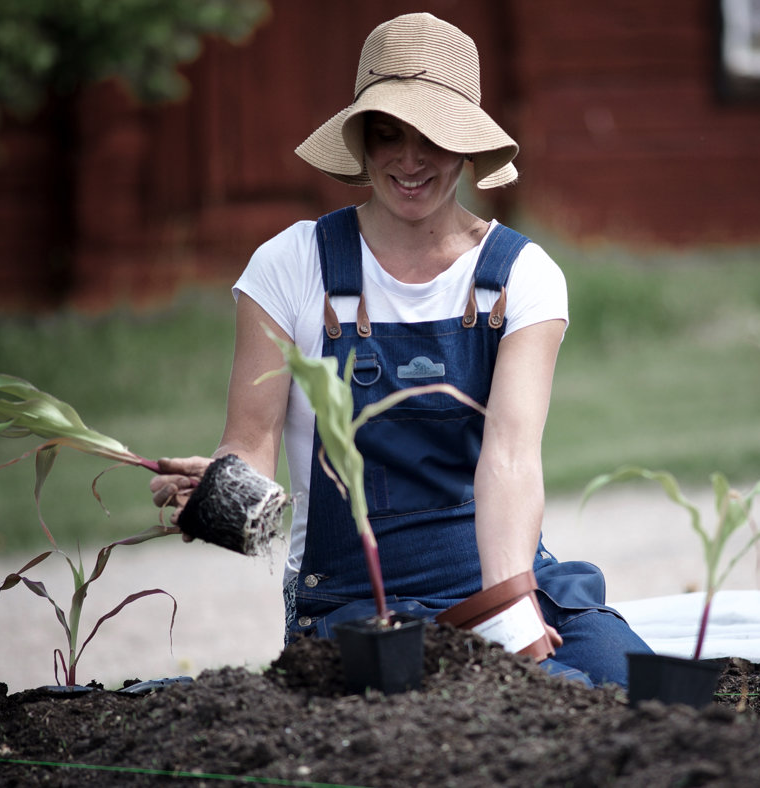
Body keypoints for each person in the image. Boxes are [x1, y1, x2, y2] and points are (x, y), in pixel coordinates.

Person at [150, 12, 651, 688]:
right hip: (358, 606)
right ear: (360, 140)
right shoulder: (290, 267)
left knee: (634, 693)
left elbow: (508, 460)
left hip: (498, 573)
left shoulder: (522, 277)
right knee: (496, 719)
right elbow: (250, 441)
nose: (409, 161)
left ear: (467, 145)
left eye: (434, 137)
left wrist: (509, 616)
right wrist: (218, 499)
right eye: (388, 134)